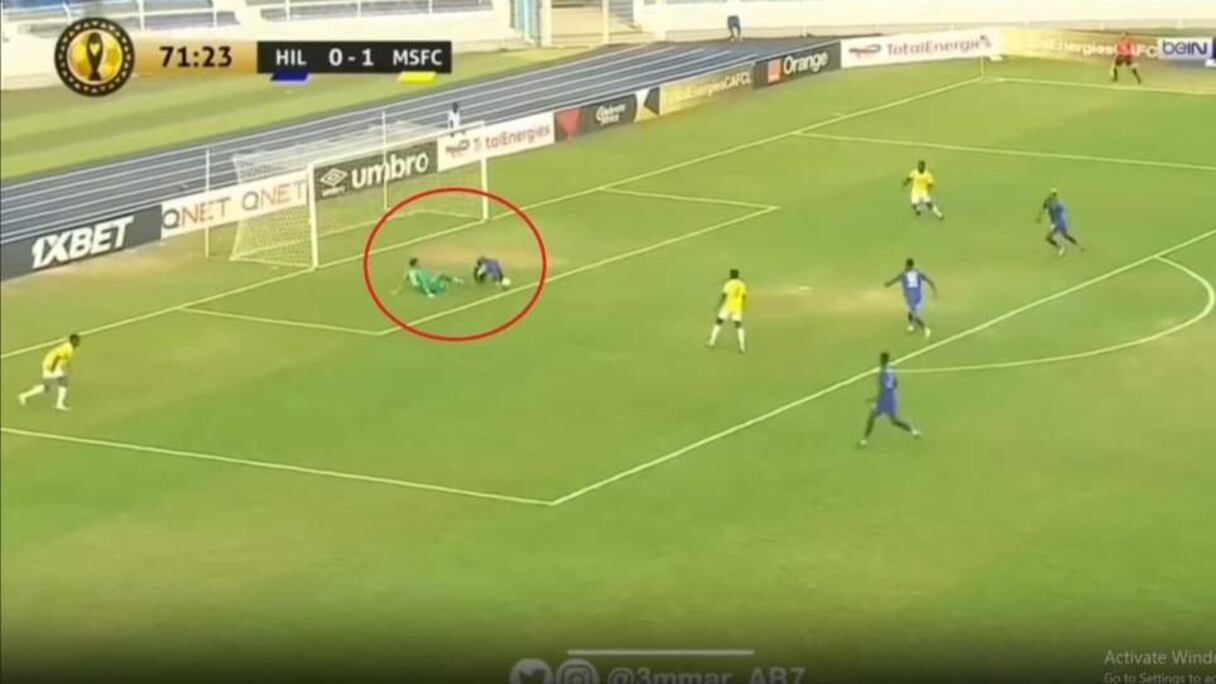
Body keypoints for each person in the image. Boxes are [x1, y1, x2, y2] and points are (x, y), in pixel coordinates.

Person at [858, 351, 921, 447]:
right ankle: (913, 431)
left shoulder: (883, 372)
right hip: (891, 398)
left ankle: (864, 440)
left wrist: (875, 399)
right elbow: (895, 383)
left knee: (872, 417)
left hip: (884, 399)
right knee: (894, 421)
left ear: (882, 360)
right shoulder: (890, 370)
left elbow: (884, 388)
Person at [18, 334, 81, 412]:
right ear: (73, 341)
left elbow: (64, 358)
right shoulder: (68, 349)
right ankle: (59, 404)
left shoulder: (69, 347)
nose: (78, 342)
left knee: (48, 387)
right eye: (77, 341)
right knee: (55, 384)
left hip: (51, 364)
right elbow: (57, 357)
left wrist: (68, 367)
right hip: (50, 364)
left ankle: (24, 395)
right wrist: (52, 368)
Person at [885, 258, 937, 338]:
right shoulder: (918, 272)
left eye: (906, 265)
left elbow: (895, 279)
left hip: (911, 296)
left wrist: (888, 284)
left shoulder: (904, 273)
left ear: (908, 265)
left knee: (914, 314)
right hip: (918, 295)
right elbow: (928, 280)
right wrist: (933, 288)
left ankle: (925, 328)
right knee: (910, 310)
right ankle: (911, 325)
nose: (905, 266)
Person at [707, 268, 747, 353]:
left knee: (718, 323)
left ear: (731, 275)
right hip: (737, 308)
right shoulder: (742, 284)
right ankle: (742, 346)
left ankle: (712, 341)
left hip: (727, 307)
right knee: (739, 326)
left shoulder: (728, 284)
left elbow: (724, 296)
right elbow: (744, 296)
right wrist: (743, 306)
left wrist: (718, 305)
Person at [1037, 189, 1084, 256]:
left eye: (1054, 194)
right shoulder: (1048, 201)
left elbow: (1061, 210)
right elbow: (1043, 209)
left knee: (1053, 237)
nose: (1053, 196)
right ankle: (1076, 246)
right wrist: (1039, 217)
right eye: (1052, 194)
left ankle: (1064, 248)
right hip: (1055, 223)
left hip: (1059, 222)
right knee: (1057, 236)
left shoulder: (1059, 203)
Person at [395, 257, 461, 297]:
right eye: (418, 263)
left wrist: (398, 290)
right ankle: (454, 280)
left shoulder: (410, 271)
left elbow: (404, 280)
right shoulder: (417, 271)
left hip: (421, 286)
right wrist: (428, 293)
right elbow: (423, 281)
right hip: (423, 287)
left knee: (439, 275)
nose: (419, 263)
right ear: (415, 264)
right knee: (440, 278)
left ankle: (455, 279)